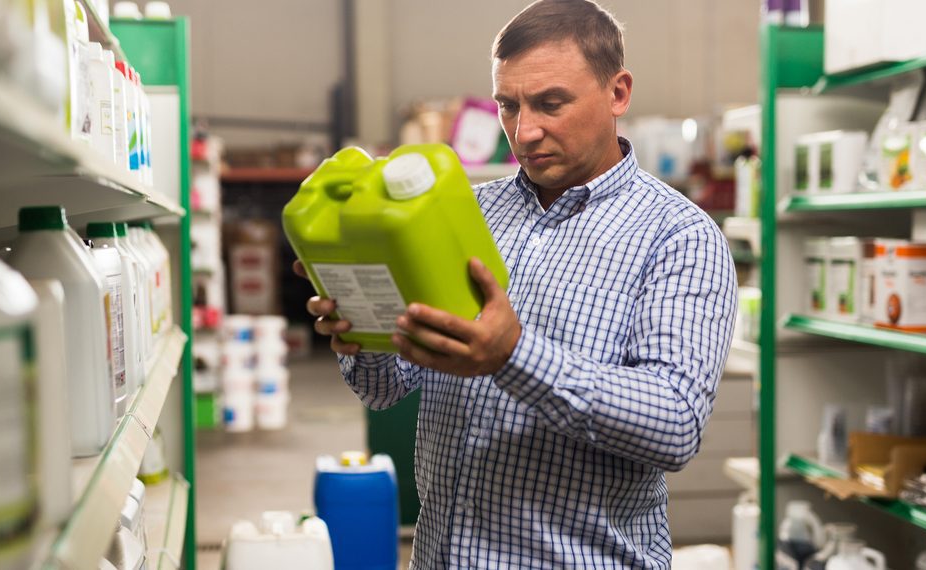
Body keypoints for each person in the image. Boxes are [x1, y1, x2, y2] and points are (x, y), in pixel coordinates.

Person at [294, 0, 737, 566]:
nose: (524, 132)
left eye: (551, 103)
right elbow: (384, 389)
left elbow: (674, 424)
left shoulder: (678, 237)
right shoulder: (467, 212)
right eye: (508, 106)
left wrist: (513, 356)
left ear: (618, 93)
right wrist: (362, 319)